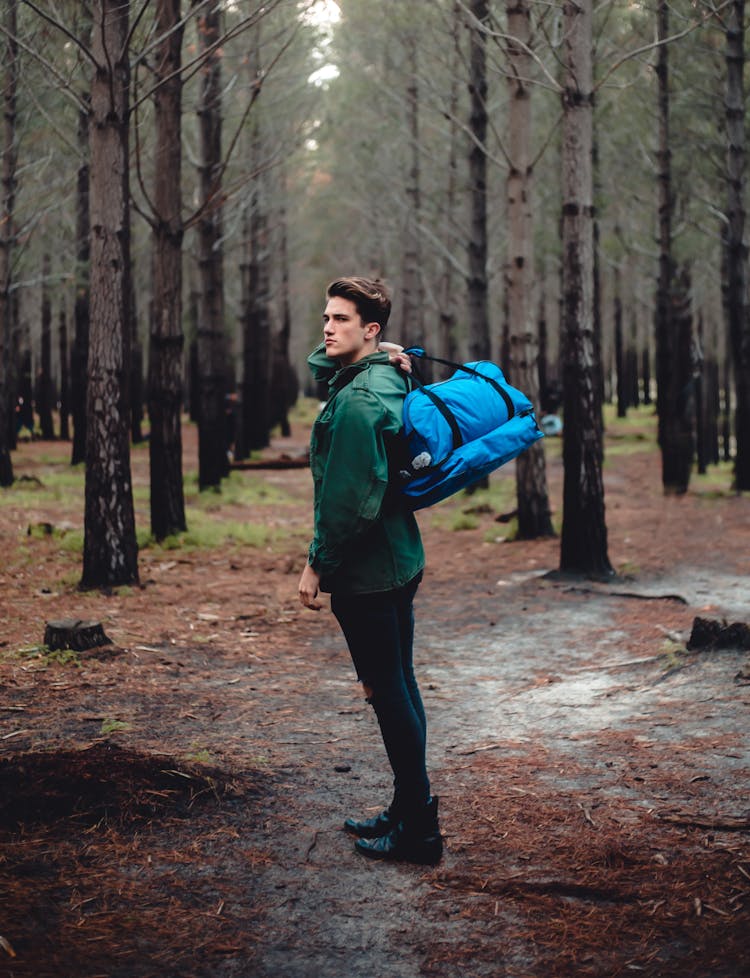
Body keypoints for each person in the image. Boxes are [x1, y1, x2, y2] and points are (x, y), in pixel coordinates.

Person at [298, 276, 443, 866]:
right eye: (326, 317)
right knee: (401, 687)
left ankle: (419, 832)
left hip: (369, 574)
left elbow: (348, 501)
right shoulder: (382, 375)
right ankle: (409, 808)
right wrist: (380, 350)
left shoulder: (359, 400)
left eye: (340, 319)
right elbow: (319, 363)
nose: (327, 329)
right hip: (397, 560)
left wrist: (315, 565)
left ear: (371, 327)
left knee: (387, 693)